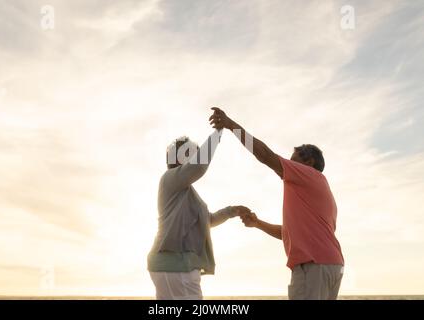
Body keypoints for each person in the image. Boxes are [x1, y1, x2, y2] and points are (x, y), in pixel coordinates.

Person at [209, 107, 344, 300]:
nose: (287, 166)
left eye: (293, 161)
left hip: (313, 266)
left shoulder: (308, 175)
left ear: (310, 162)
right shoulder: (318, 191)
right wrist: (257, 224)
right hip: (330, 265)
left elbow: (265, 155)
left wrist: (231, 126)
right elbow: (289, 234)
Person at [147, 129, 249, 300]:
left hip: (175, 266)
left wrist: (232, 211)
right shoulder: (170, 178)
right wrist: (218, 132)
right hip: (175, 266)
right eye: (191, 154)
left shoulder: (184, 190)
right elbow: (200, 165)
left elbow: (208, 220)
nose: (195, 157)